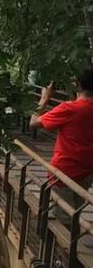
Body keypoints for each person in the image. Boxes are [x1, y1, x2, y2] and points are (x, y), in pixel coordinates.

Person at [28, 67, 93, 209]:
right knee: (75, 211)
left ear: (78, 85)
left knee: (63, 216)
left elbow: (33, 123)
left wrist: (45, 98)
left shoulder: (69, 109)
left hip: (64, 172)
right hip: (87, 172)